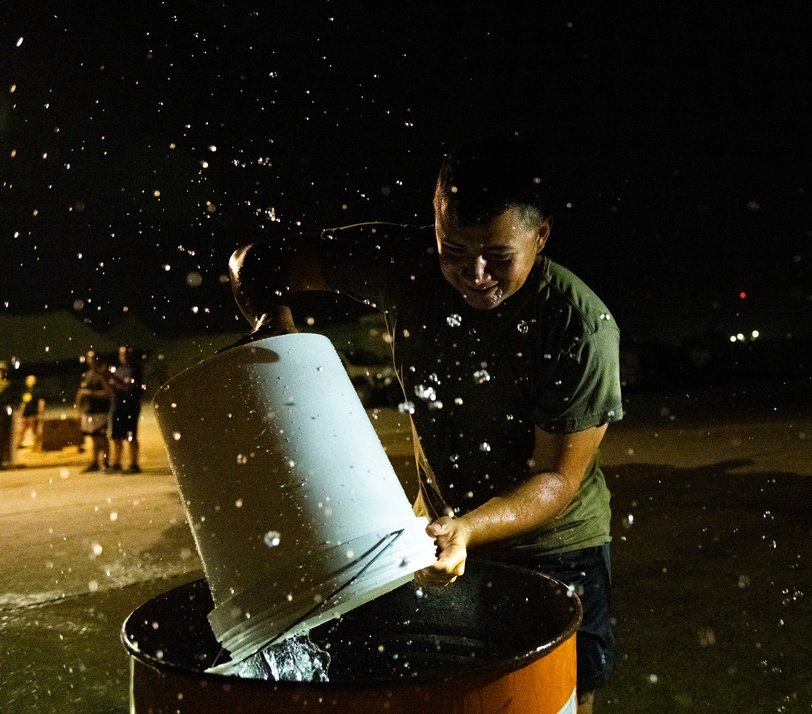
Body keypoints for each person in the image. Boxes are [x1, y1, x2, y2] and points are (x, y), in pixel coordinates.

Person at [228, 136, 623, 712]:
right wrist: (274, 322)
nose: (475, 274)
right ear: (433, 227)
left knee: (557, 701)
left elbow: (557, 481)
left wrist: (468, 527)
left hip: (555, 548)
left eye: (498, 255)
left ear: (540, 236)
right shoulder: (402, 264)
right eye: (454, 251)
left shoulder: (577, 325)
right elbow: (255, 260)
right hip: (435, 538)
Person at [108, 345, 143, 473]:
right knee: (116, 436)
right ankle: (116, 463)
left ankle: (134, 464)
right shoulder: (119, 369)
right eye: (122, 354)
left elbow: (129, 388)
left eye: (127, 354)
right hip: (117, 406)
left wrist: (114, 379)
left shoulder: (134, 370)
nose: (124, 357)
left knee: (130, 436)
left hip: (129, 407)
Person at [76, 350, 112, 473]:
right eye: (89, 358)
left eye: (92, 358)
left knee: (102, 437)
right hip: (89, 410)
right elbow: (81, 392)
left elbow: (108, 393)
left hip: (100, 411)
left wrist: (90, 393)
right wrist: (78, 408)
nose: (90, 361)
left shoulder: (101, 375)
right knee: (94, 438)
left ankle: (106, 462)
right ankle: (95, 462)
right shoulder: (87, 374)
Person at [17, 374, 45, 450]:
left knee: (35, 431)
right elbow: (23, 403)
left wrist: (40, 413)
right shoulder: (24, 391)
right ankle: (18, 444)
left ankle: (37, 445)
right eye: (29, 380)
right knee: (21, 430)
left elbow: (41, 402)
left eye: (32, 381)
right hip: (25, 414)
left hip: (33, 414)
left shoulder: (37, 391)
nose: (30, 382)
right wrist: (20, 413)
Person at [0, 361, 17, 469]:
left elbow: (11, 400)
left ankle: (2, 460)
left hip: (4, 416)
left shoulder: (8, 386)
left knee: (3, 438)